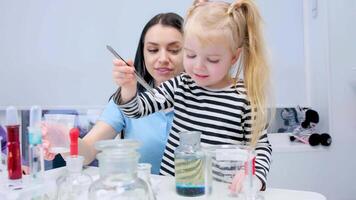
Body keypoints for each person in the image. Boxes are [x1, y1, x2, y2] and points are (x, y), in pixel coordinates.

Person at [113, 0, 272, 191]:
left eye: (212, 59)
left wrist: (254, 175)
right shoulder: (181, 84)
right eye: (190, 55)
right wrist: (129, 88)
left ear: (234, 57)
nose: (198, 66)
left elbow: (260, 146)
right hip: (173, 190)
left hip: (220, 192)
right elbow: (137, 110)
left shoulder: (244, 97)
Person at [42, 12, 184, 174]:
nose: (163, 58)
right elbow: (88, 152)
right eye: (153, 50)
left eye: (174, 50)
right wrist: (64, 138)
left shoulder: (205, 100)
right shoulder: (126, 99)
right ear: (143, 53)